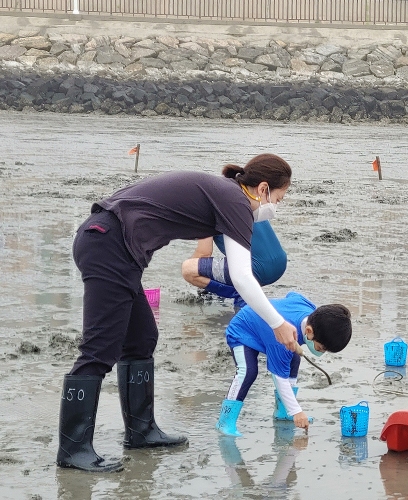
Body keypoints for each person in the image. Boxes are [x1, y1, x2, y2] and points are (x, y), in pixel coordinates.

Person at [57, 153, 297, 473]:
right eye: (279, 198)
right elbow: (242, 276)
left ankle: (141, 432)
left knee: (142, 337)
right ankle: (72, 449)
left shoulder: (225, 193)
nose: (276, 207)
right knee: (100, 349)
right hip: (106, 243)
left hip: (116, 249)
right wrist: (277, 323)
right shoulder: (235, 200)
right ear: (263, 189)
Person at [215, 291, 352, 437]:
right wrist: (296, 411)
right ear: (309, 331)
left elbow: (293, 295)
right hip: (242, 330)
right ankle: (225, 421)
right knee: (248, 371)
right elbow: (279, 379)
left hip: (266, 329)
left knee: (294, 359)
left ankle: (283, 412)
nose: (321, 352)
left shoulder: (311, 312)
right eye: (320, 348)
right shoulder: (280, 344)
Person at [181, 219, 287, 310]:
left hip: (256, 267)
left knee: (188, 268)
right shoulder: (239, 197)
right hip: (280, 262)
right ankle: (243, 290)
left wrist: (194, 281)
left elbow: (204, 253)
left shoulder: (205, 210)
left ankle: (238, 292)